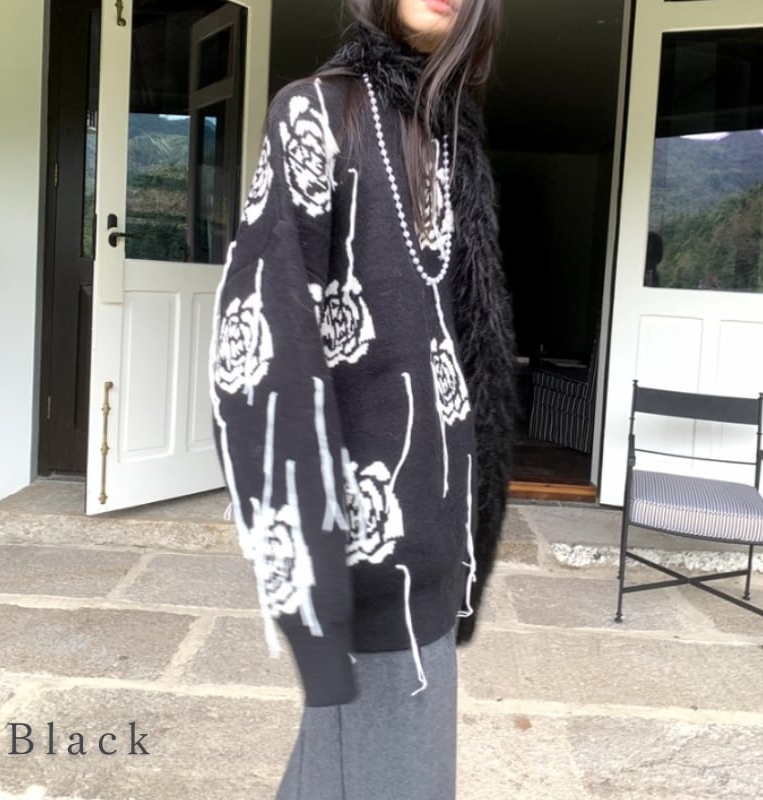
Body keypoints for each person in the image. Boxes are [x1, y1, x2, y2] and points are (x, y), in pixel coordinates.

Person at [209, 0, 516, 797]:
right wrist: (307, 579)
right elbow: (261, 349)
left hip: (437, 547)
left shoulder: (449, 138)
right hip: (366, 556)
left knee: (356, 769)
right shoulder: (318, 110)